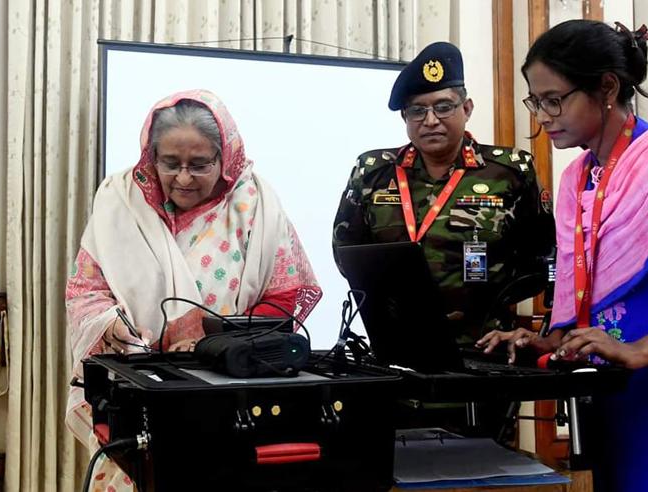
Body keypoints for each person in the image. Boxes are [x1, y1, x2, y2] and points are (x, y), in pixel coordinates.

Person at [476, 20, 648, 492]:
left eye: (554, 100)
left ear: (607, 87)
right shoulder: (577, 179)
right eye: (535, 101)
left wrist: (645, 348)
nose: (542, 116)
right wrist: (548, 341)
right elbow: (593, 299)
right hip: (609, 398)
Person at [65, 90, 322, 491]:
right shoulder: (120, 200)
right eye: (170, 163)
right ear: (151, 156)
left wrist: (215, 342)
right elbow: (86, 290)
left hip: (232, 396)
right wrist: (111, 326)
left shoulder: (255, 204)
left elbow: (283, 299)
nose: (183, 178)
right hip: (140, 390)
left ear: (225, 158)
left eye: (199, 165)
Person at [332, 41, 555, 340]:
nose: (431, 120)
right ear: (405, 117)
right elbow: (347, 253)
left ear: (467, 108)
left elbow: (543, 258)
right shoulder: (373, 172)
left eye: (443, 107)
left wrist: (483, 300)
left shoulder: (511, 171)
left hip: (486, 342)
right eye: (417, 111)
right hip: (398, 341)